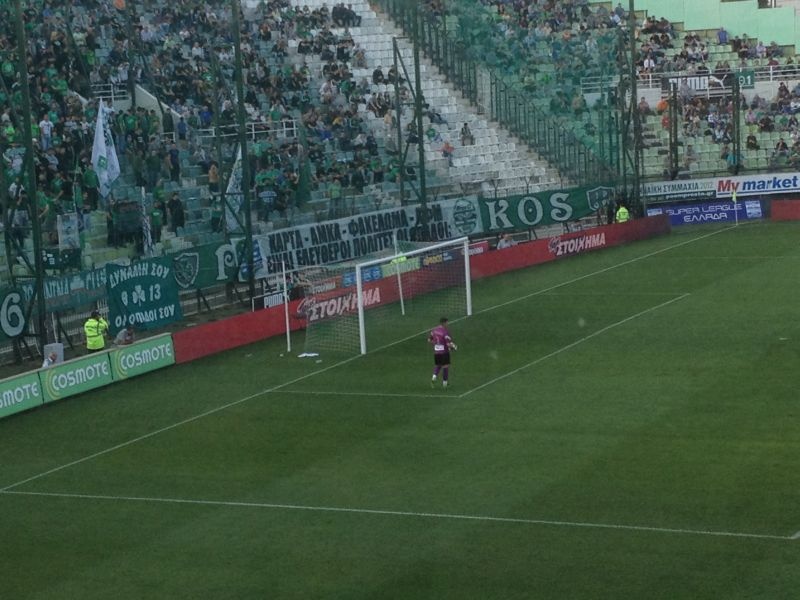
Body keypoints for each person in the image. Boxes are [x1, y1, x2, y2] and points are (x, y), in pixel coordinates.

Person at [429, 317, 457, 388]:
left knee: (438, 365)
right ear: (444, 323)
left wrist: (436, 343)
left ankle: (434, 377)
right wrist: (453, 347)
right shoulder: (445, 332)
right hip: (444, 352)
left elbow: (429, 340)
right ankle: (445, 383)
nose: (448, 324)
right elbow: (448, 344)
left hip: (436, 352)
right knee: (445, 366)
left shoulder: (434, 330)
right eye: (447, 322)